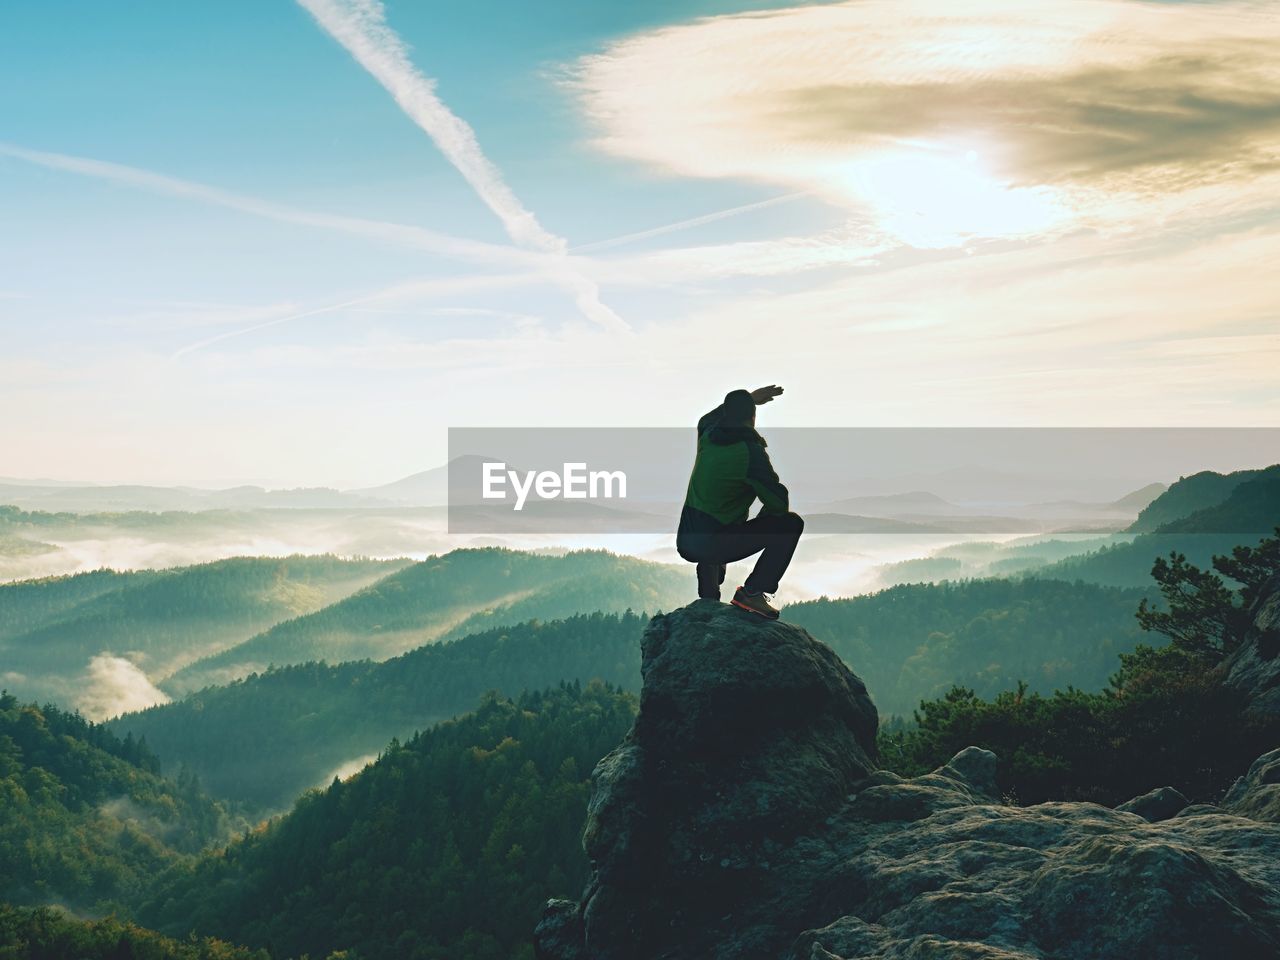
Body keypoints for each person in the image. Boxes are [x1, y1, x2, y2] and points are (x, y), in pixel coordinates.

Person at [675, 385, 804, 619]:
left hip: (687, 539)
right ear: (752, 418)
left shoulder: (707, 434)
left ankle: (708, 602)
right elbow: (778, 503)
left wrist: (749, 400)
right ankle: (753, 592)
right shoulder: (750, 453)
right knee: (790, 524)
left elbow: (707, 417)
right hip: (714, 542)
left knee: (715, 523)